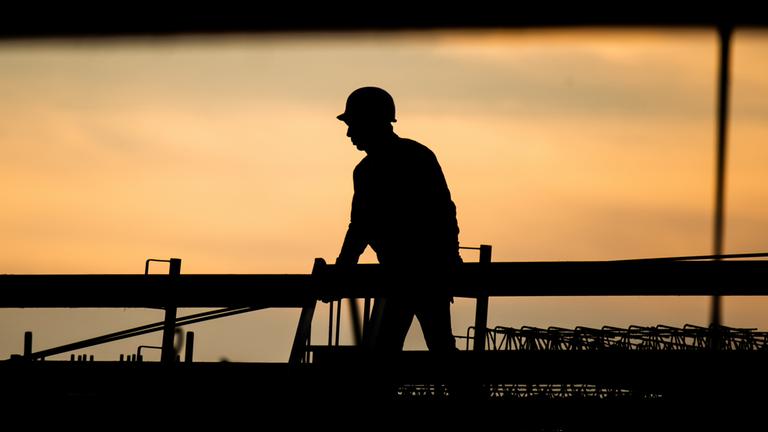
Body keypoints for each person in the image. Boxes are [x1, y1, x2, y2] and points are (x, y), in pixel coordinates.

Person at [335, 86, 461, 353]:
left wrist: (342, 269)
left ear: (371, 122)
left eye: (353, 125)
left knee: (387, 353)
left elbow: (360, 227)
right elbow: (444, 213)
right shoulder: (410, 157)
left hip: (413, 275)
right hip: (421, 274)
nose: (348, 133)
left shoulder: (378, 168)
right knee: (437, 349)